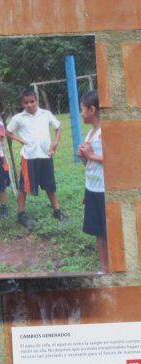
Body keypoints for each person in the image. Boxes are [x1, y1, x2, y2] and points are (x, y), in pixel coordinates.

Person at [6, 88, 64, 228]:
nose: (30, 105)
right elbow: (7, 132)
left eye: (32, 101)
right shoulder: (18, 118)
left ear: (37, 100)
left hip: (45, 155)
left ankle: (57, 211)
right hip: (29, 157)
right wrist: (21, 140)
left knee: (50, 184)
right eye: (26, 102)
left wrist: (55, 143)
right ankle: (21, 213)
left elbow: (58, 128)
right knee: (24, 186)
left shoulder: (46, 114)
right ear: (22, 103)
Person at [76, 90, 108, 272]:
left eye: (82, 109)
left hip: (104, 189)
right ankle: (104, 268)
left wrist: (91, 155)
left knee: (108, 231)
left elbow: (113, 160)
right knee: (98, 232)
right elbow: (88, 164)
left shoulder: (104, 133)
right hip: (92, 189)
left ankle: (116, 267)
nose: (81, 113)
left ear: (92, 110)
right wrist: (84, 156)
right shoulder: (90, 134)